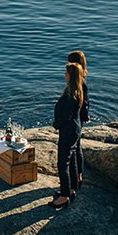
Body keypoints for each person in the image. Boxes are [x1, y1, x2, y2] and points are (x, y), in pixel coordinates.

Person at [49, 62, 85, 209]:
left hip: (68, 132)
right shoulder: (77, 91)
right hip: (74, 130)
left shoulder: (71, 95)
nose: (64, 75)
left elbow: (66, 116)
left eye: (66, 73)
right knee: (72, 160)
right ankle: (72, 188)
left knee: (62, 163)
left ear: (70, 76)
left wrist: (56, 124)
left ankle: (64, 196)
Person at [67, 50, 90, 188]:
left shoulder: (80, 82)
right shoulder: (82, 79)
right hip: (79, 117)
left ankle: (77, 176)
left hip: (76, 119)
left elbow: (84, 102)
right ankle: (78, 176)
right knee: (77, 147)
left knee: (76, 148)